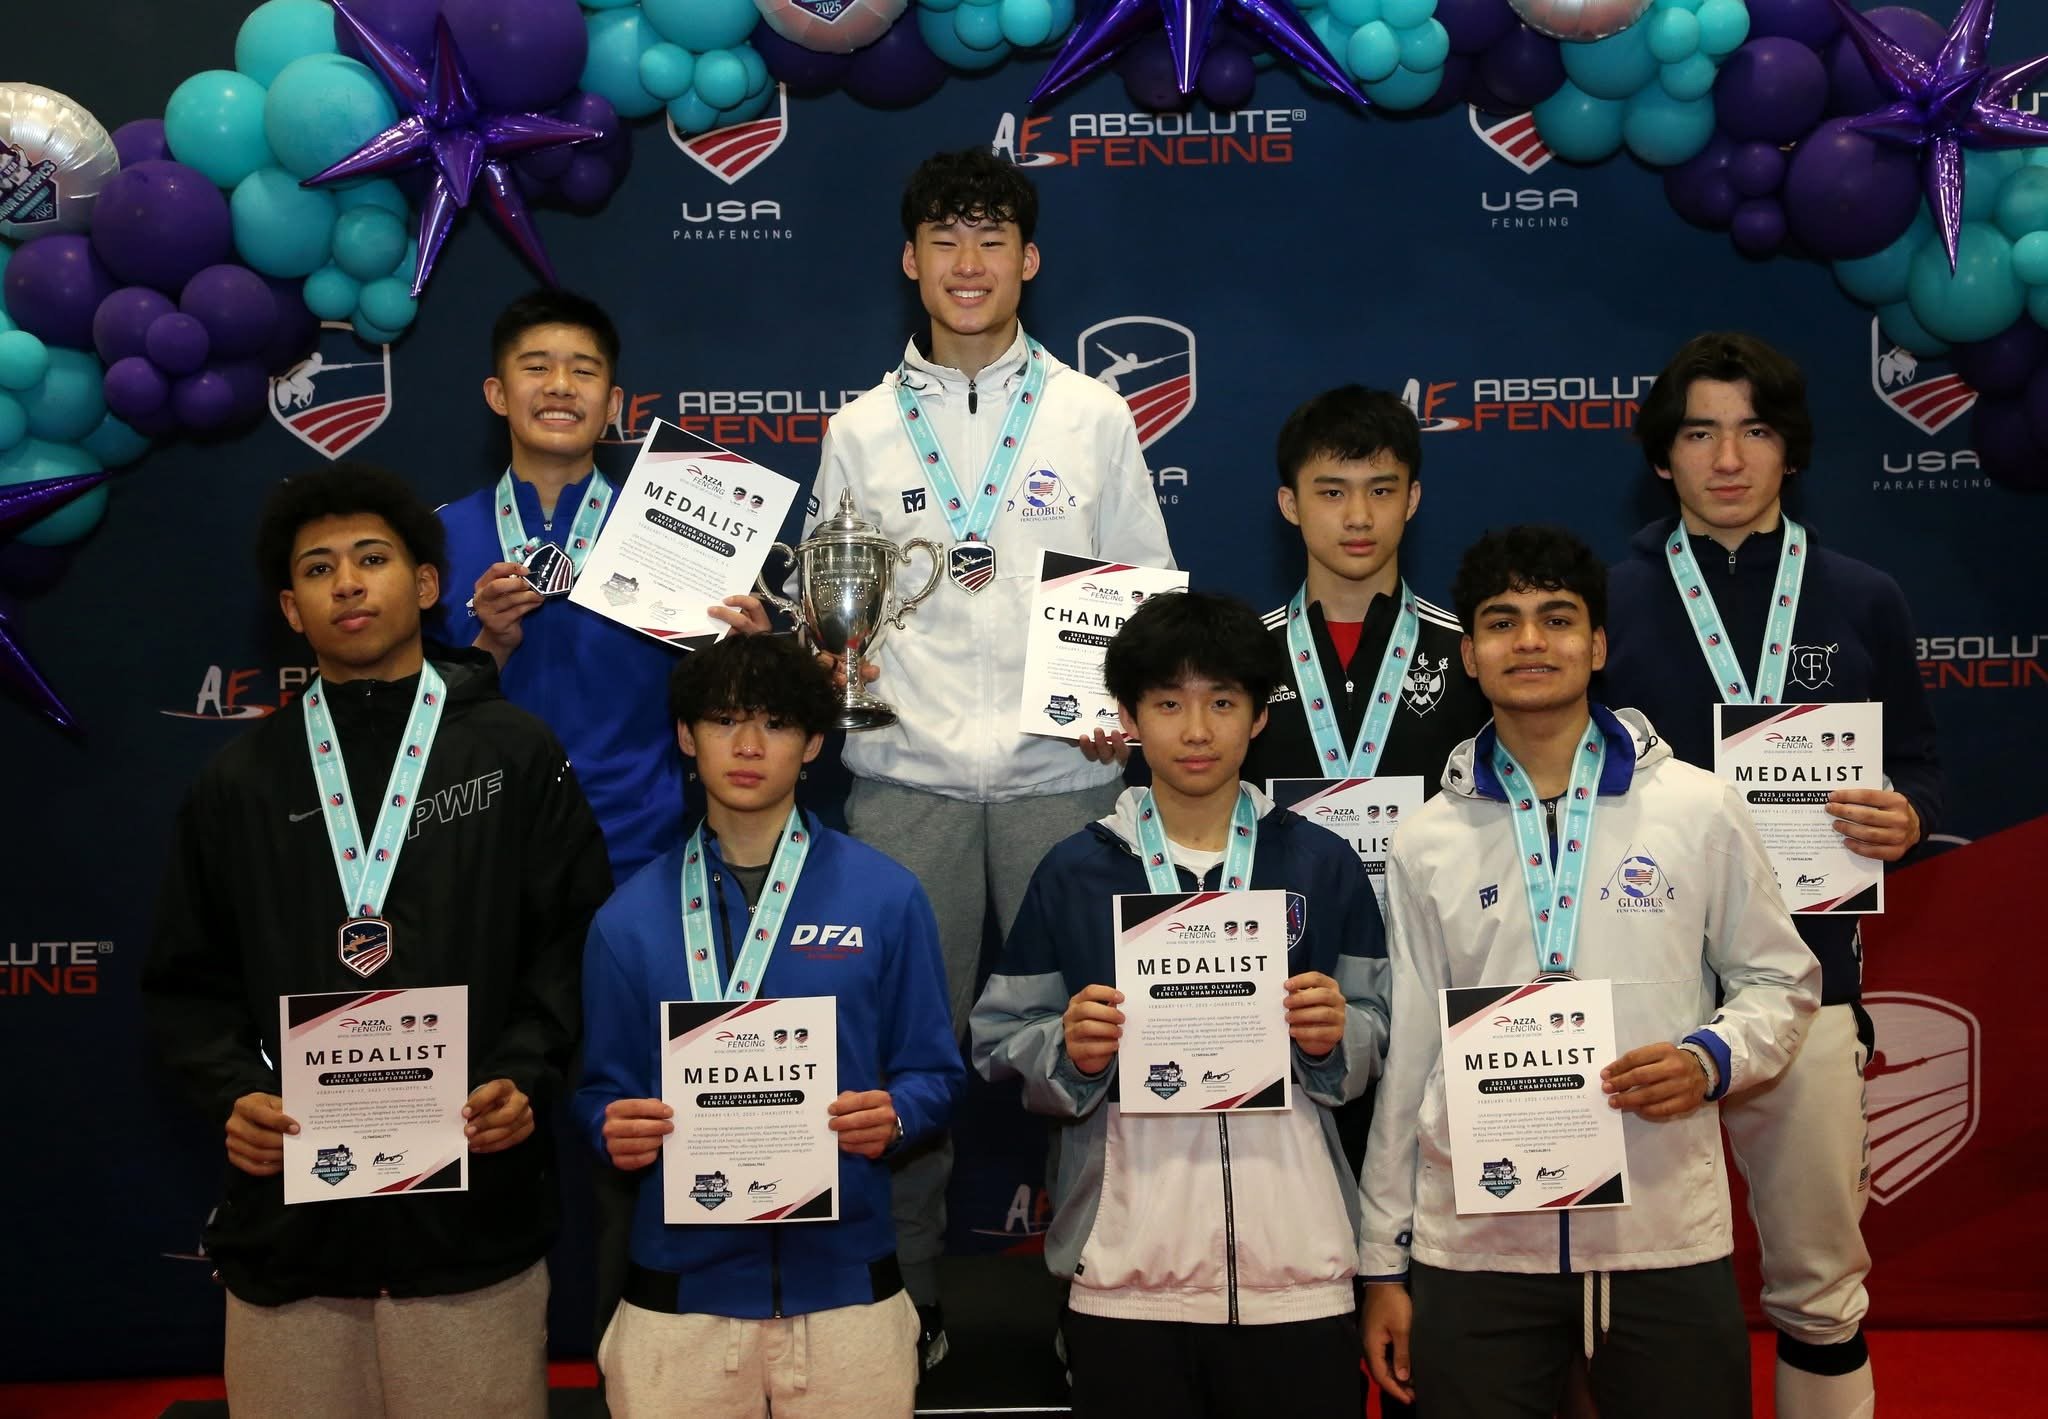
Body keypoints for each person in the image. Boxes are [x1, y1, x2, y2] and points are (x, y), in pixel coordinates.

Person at [719, 146, 1174, 1362]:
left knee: (1094, 1044)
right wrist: (812, 650)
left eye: (991, 239)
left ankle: (1098, 1293)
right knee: (894, 1058)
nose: (967, 263)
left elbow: (1136, 592)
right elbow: (836, 612)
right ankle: (903, 1297)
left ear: (1027, 262)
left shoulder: (1090, 414)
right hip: (904, 785)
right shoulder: (860, 429)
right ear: (909, 262)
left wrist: (1118, 708)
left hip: (1062, 783)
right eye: (944, 240)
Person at [144, 462, 611, 1419]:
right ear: (290, 607)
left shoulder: (514, 754)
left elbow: (569, 944)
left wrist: (523, 1075)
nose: (347, 583)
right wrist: (232, 1093)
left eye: (371, 559)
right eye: (318, 570)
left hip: (471, 1218)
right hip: (291, 1231)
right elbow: (187, 981)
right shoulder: (239, 782)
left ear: (427, 585)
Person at [1359, 525, 1819, 1418]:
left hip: (1660, 1236)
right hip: (1478, 1244)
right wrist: (1384, 1257)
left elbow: (1781, 982)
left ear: (1598, 644)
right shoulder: (1427, 837)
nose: (1530, 641)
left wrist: (1709, 1058)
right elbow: (1411, 1053)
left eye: (1557, 618)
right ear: (1469, 654)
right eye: (1502, 621)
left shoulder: (1696, 805)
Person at [1601, 332, 1943, 1419]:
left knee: (1817, 1290)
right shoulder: (1601, 602)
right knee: (1626, 1291)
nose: (1727, 457)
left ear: (1788, 450)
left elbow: (1921, 765)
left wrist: (1906, 813)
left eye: (1752, 430)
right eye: (1698, 431)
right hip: (1648, 1002)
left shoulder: (1860, 595)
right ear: (1663, 456)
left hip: (1810, 992)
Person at [971, 591, 1387, 1419]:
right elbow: (997, 1037)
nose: (1196, 730)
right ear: (1127, 716)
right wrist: (1069, 1049)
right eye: (1168, 703)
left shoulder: (1322, 862)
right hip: (1126, 1271)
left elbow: (1381, 1027)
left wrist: (1337, 1034)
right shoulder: (1075, 870)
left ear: (1259, 717)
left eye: (1222, 702)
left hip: (1298, 1272)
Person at [575, 633, 963, 1418]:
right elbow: (599, 1091)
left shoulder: (886, 897)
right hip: (677, 1301)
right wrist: (612, 1124)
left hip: (848, 1295)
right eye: (723, 721)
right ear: (687, 736)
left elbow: (935, 1072)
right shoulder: (628, 919)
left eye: (777, 724)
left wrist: (895, 1113)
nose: (748, 746)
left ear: (814, 741)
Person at [435, 288, 685, 881]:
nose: (560, 386)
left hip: (638, 845)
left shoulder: (674, 532)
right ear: (497, 394)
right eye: (536, 367)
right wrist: (487, 642)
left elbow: (709, 701)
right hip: (482, 845)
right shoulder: (436, 540)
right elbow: (411, 717)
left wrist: (739, 651)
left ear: (613, 403)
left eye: (584, 370)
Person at [1243, 383, 1488, 797]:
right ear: (1290, 505)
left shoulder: (1469, 654)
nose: (1359, 517)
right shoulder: (1242, 658)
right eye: (1333, 493)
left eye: (1380, 491)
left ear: (1411, 500)